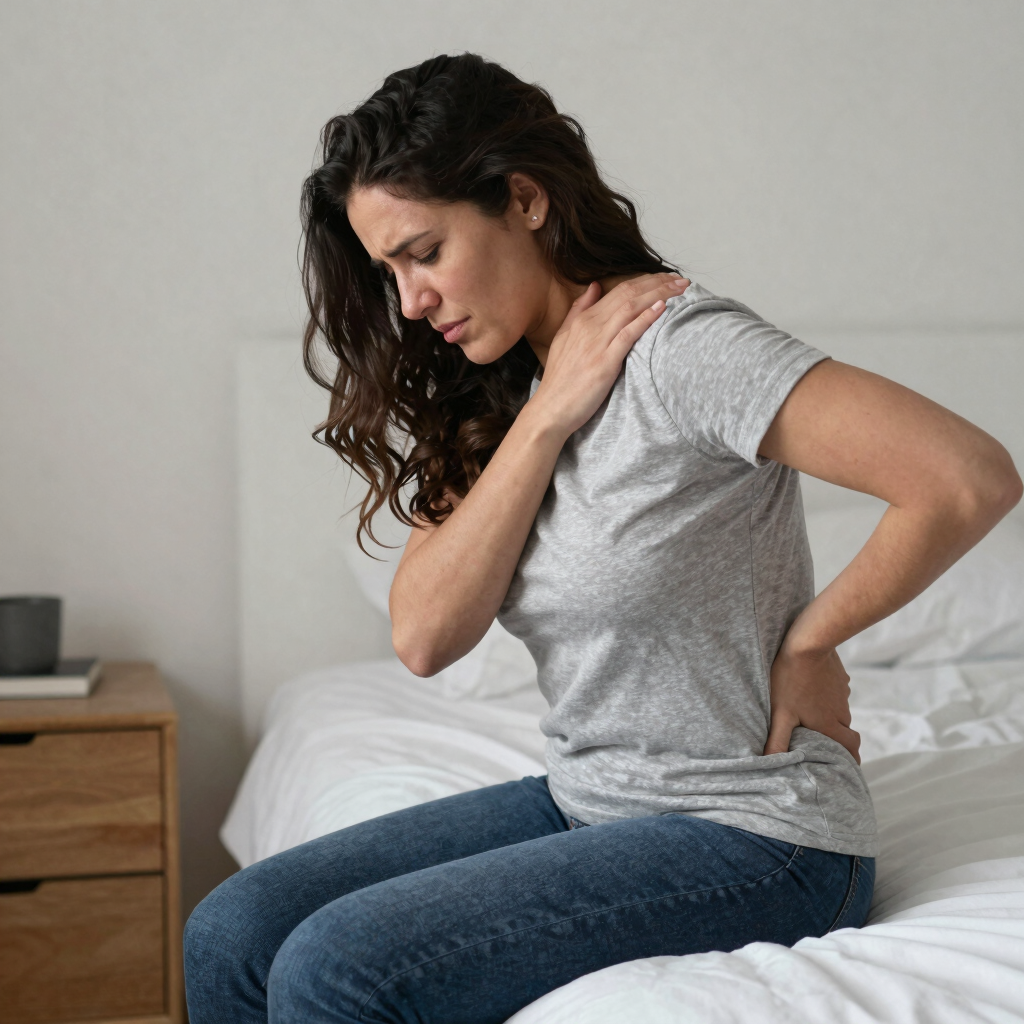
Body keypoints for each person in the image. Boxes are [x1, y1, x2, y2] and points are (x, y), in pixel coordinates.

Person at [184, 54, 1021, 1024]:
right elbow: (423, 636)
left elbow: (965, 477)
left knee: (337, 969)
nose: (407, 300)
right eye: (388, 270)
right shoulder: (498, 393)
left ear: (524, 199)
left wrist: (811, 636)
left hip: (758, 833)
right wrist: (544, 421)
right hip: (589, 795)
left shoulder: (682, 349)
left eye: (423, 251)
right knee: (232, 931)